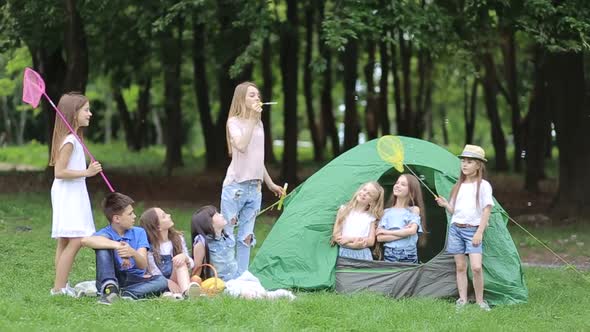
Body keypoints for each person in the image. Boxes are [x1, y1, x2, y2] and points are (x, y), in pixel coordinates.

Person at [221, 82, 284, 274]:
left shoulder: (259, 123)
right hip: (235, 187)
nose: (257, 98)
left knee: (246, 236)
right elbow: (240, 146)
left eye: (258, 95)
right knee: (228, 234)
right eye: (251, 95)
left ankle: (242, 277)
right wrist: (251, 119)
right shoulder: (234, 121)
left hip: (254, 188)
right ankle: (225, 276)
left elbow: (257, 158)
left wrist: (270, 183)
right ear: (241, 99)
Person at [49, 92, 102, 296]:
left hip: (71, 191)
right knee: (76, 239)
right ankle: (59, 288)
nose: (90, 114)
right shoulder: (70, 140)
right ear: (74, 113)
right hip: (68, 193)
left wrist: (85, 172)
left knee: (65, 240)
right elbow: (59, 172)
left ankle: (60, 285)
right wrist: (87, 172)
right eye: (86, 110)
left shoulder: (73, 138)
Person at [435, 144, 494, 311]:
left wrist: (479, 232)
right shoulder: (458, 186)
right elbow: (456, 212)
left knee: (476, 267)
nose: (465, 165)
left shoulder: (483, 186)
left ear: (478, 165)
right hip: (456, 230)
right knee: (461, 266)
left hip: (473, 231)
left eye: (469, 162)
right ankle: (462, 300)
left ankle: (480, 301)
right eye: (463, 161)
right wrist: (446, 204)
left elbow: (486, 209)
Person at [81, 192, 168, 304]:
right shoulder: (106, 233)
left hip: (133, 279)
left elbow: (143, 265)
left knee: (162, 281)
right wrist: (117, 245)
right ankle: (110, 287)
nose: (134, 216)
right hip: (112, 276)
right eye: (130, 214)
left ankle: (122, 294)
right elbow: (85, 241)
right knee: (102, 246)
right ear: (117, 218)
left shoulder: (139, 232)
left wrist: (131, 252)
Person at [140, 207, 200, 299]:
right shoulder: (149, 247)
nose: (169, 215)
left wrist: (185, 257)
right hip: (160, 282)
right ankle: (174, 294)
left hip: (178, 278)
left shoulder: (178, 238)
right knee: (166, 293)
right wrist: (167, 282)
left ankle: (186, 292)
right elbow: (153, 271)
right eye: (164, 216)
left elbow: (191, 264)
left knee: (180, 261)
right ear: (158, 227)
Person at [376, 174, 427, 263]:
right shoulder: (386, 212)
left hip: (408, 252)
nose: (397, 186)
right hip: (390, 253)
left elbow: (412, 231)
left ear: (411, 191)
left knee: (409, 276)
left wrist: (387, 232)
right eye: (397, 183)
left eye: (403, 184)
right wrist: (404, 233)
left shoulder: (414, 210)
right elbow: (380, 238)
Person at [331, 182, 385, 261]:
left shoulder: (371, 217)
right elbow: (336, 236)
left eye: (369, 194)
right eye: (364, 190)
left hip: (363, 255)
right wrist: (353, 245)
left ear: (372, 202)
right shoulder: (343, 210)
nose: (364, 194)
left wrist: (350, 239)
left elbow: (371, 241)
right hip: (344, 254)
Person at [191, 205, 239, 282]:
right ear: (208, 222)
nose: (221, 215)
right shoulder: (202, 243)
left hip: (236, 278)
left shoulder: (229, 237)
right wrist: (195, 282)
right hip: (219, 283)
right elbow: (198, 269)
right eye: (216, 214)